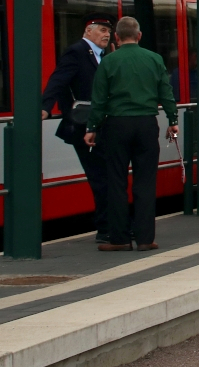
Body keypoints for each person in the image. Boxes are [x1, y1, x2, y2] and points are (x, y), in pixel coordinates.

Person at [84, 16, 177, 252]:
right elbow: (165, 92)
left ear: (116, 37)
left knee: (116, 181)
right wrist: (172, 120)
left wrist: (92, 127)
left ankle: (119, 238)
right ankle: (146, 238)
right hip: (147, 125)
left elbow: (99, 98)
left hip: (117, 125)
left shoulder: (109, 61)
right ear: (139, 36)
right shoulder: (154, 59)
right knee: (145, 182)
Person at [41, 13, 114, 243]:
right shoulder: (77, 52)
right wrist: (45, 107)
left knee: (110, 176)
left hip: (104, 125)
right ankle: (105, 229)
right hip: (84, 127)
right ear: (88, 31)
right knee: (101, 178)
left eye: (108, 30)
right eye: (101, 29)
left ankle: (115, 225)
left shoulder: (106, 55)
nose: (106, 33)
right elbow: (58, 80)